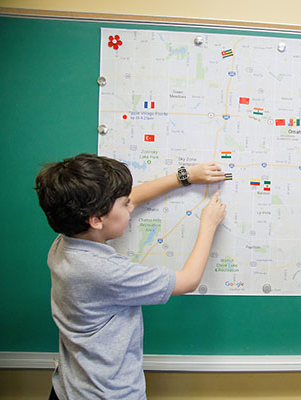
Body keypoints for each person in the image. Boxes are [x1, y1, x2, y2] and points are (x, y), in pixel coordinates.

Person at [34, 154, 227, 399]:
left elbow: (131, 198)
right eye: (124, 204)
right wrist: (208, 224)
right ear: (96, 219)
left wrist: (184, 177)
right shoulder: (104, 271)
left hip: (69, 389)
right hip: (108, 394)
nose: (131, 205)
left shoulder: (65, 239)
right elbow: (188, 280)